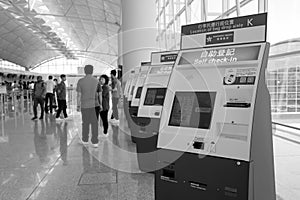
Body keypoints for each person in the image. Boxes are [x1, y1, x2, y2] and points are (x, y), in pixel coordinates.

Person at [77, 65, 102, 148]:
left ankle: (85, 140)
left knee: (85, 123)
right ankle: (95, 142)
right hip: (95, 105)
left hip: (85, 105)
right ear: (92, 71)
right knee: (95, 123)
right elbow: (99, 94)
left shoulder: (80, 81)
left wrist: (78, 105)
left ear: (85, 71)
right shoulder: (97, 81)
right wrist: (100, 104)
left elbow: (79, 95)